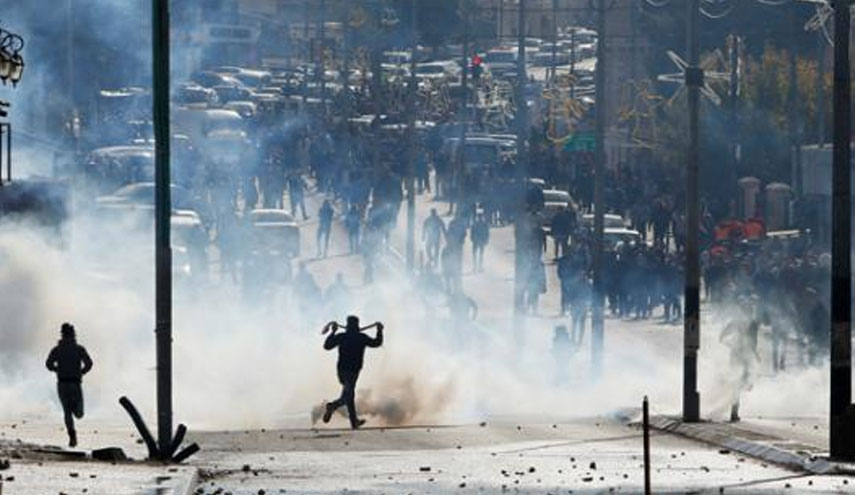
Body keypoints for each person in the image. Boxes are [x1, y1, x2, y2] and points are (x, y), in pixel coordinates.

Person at [322, 316, 384, 429]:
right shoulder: (361, 337)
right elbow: (377, 343)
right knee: (348, 396)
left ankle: (349, 418)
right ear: (357, 325)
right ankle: (337, 409)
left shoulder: (342, 336)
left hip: (341, 371)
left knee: (348, 396)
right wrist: (379, 330)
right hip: (353, 371)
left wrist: (333, 332)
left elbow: (327, 346)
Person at [45, 323, 93, 447]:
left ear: (62, 334)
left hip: (62, 384)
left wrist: (57, 369)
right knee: (79, 414)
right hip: (75, 383)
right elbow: (89, 363)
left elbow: (49, 364)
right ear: (73, 334)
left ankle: (72, 436)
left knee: (67, 412)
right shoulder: (79, 349)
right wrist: (81, 372)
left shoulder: (57, 349)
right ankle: (72, 436)